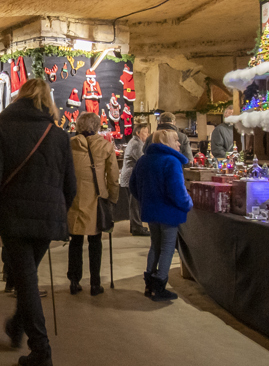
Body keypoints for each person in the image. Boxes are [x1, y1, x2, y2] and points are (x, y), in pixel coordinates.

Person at [0, 78, 76, 366]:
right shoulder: (59, 136)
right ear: (48, 100)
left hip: (14, 216)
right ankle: (17, 326)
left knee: (26, 281)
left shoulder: (1, 129)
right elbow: (70, 186)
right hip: (48, 219)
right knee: (27, 278)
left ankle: (41, 351)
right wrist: (57, 211)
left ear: (19, 97)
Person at [129, 128, 193, 302]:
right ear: (167, 143)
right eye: (176, 140)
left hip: (151, 212)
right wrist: (188, 203)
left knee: (154, 246)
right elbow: (177, 192)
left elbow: (133, 185)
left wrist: (144, 200)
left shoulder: (143, 160)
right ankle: (159, 286)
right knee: (167, 249)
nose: (179, 144)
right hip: (169, 213)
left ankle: (149, 283)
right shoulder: (171, 162)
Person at [65, 111, 119, 296]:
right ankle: (95, 283)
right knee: (95, 242)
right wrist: (113, 197)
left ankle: (74, 281)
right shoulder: (105, 146)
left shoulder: (69, 146)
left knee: (76, 241)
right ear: (96, 126)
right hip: (96, 199)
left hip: (75, 199)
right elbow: (113, 176)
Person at [119, 120, 151, 236]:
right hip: (131, 178)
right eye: (145, 132)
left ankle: (135, 226)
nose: (147, 135)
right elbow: (142, 160)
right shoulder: (136, 144)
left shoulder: (136, 142)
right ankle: (137, 227)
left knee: (135, 204)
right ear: (138, 133)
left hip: (131, 177)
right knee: (135, 204)